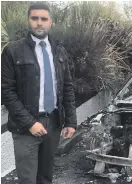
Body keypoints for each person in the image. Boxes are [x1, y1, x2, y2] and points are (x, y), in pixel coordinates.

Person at [1, 3, 77, 184]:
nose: (39, 23)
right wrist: (30, 123)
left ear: (51, 22)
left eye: (44, 19)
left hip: (53, 124)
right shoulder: (13, 51)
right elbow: (6, 91)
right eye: (35, 18)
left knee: (45, 178)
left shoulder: (59, 51)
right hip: (26, 129)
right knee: (28, 180)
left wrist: (71, 122)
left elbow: (67, 87)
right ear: (28, 20)